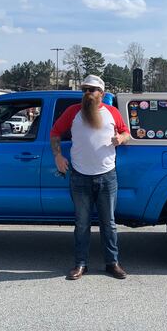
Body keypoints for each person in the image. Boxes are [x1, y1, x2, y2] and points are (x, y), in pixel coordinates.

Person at [50, 75, 130, 280]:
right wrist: (58, 156)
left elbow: (126, 132)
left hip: (107, 176)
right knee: (82, 223)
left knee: (109, 223)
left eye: (92, 89)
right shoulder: (73, 112)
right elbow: (55, 133)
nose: (88, 93)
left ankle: (112, 263)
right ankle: (80, 264)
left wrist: (120, 138)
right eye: (85, 89)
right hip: (80, 177)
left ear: (102, 93)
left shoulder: (112, 112)